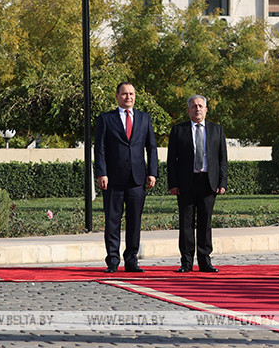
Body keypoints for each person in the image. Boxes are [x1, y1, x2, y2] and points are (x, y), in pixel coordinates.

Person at [94, 82, 158, 273]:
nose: (128, 97)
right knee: (112, 221)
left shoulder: (145, 118)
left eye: (131, 94)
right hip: (112, 179)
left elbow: (151, 147)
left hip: (137, 180)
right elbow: (100, 148)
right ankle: (113, 261)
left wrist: (152, 172)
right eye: (124, 94)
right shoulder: (106, 119)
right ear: (117, 96)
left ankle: (131, 260)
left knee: (134, 222)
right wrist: (101, 172)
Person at [166, 95, 228, 273]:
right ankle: (186, 261)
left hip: (209, 182)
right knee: (186, 223)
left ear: (206, 110)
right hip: (186, 182)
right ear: (188, 110)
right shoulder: (178, 131)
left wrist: (222, 182)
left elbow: (223, 159)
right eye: (193, 106)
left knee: (205, 222)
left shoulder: (217, 130)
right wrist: (173, 183)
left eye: (201, 106)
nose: (197, 109)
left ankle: (204, 260)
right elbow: (171, 161)